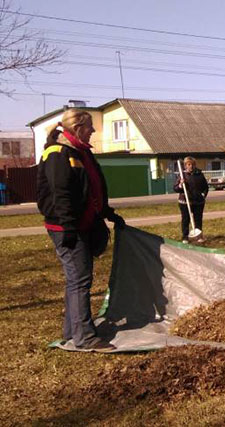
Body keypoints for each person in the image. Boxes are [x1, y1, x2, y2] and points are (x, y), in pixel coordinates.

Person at [37, 108, 126, 352]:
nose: (93, 131)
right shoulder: (58, 153)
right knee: (80, 280)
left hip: (82, 224)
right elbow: (60, 194)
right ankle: (85, 337)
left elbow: (92, 188)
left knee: (77, 280)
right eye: (90, 127)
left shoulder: (80, 153)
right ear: (77, 128)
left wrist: (108, 213)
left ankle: (72, 331)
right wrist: (67, 227)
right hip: (67, 227)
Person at [173, 156, 208, 243]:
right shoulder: (182, 176)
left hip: (198, 202)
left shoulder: (199, 174)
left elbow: (205, 187)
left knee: (198, 219)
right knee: (185, 219)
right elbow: (176, 188)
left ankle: (199, 236)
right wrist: (181, 184)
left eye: (192, 164)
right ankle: (185, 237)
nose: (191, 166)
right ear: (185, 165)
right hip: (185, 202)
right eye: (188, 164)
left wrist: (203, 195)